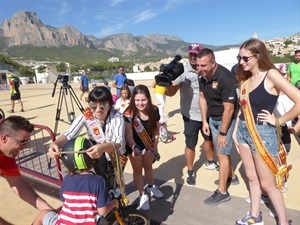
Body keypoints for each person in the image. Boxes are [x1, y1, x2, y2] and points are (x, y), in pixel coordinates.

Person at [233, 38, 300, 225]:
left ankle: (283, 222)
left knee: (268, 185)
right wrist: (236, 131)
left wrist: (278, 120)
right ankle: (255, 215)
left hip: (262, 134)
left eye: (245, 58)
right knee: (251, 177)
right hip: (244, 132)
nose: (241, 62)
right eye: (239, 58)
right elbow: (243, 108)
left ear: (258, 56)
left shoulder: (271, 74)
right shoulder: (245, 79)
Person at [48, 86, 126, 185]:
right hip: (97, 152)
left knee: (116, 181)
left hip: (116, 153)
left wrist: (103, 147)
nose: (98, 110)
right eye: (93, 106)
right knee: (101, 179)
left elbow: (118, 141)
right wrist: (56, 144)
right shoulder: (86, 116)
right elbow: (69, 134)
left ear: (110, 105)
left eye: (102, 106)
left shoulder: (117, 116)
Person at [166, 43, 218, 187]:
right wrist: (167, 83)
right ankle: (190, 170)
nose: (194, 57)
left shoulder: (207, 69)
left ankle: (210, 161)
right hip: (190, 116)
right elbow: (171, 93)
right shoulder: (183, 71)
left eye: (196, 54)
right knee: (191, 143)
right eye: (191, 54)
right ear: (188, 55)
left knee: (209, 140)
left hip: (208, 113)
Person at [33, 137, 118, 225]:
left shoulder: (66, 179)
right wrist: (114, 203)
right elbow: (102, 211)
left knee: (44, 214)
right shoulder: (98, 181)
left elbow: (65, 200)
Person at [197, 48, 239, 205]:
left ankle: (222, 192)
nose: (199, 68)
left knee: (221, 154)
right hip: (212, 119)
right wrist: (204, 121)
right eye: (198, 65)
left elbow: (229, 108)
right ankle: (232, 177)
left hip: (225, 121)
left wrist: (222, 132)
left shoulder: (225, 77)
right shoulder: (201, 75)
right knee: (223, 153)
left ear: (213, 63)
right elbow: (202, 98)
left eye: (203, 65)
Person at [0, 116, 54, 224]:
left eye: (27, 142)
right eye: (22, 142)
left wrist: (51, 211)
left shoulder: (6, 155)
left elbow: (18, 184)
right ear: (4, 138)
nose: (25, 147)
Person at [124, 84, 163, 211]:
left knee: (149, 167)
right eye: (137, 100)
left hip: (149, 144)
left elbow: (156, 131)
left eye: (143, 100)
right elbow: (128, 135)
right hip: (134, 145)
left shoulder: (154, 110)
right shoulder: (128, 113)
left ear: (148, 99)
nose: (140, 103)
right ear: (133, 100)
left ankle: (151, 186)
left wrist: (155, 147)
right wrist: (134, 147)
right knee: (137, 170)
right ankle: (142, 194)